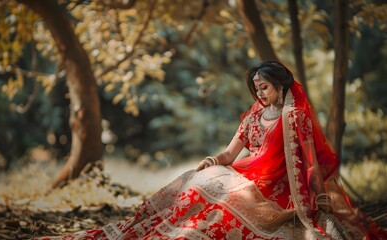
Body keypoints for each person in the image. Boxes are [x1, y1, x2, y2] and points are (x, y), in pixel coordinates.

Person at [37, 61, 387, 239]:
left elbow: (309, 164)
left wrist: (315, 199)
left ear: (280, 86)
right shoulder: (254, 115)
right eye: (256, 89)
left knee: (219, 204)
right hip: (250, 178)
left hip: (276, 193)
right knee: (199, 180)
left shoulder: (296, 119)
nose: (259, 94)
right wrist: (211, 161)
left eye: (263, 87)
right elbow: (229, 154)